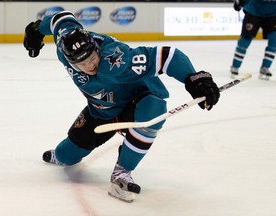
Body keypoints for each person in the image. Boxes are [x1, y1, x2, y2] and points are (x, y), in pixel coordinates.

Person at [23, 11, 220, 203]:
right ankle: (62, 154)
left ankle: (122, 171)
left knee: (153, 109)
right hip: (101, 110)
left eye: (92, 57)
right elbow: (60, 18)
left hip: (137, 100)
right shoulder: (64, 44)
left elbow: (168, 56)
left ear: (95, 48)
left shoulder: (116, 61)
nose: (91, 65)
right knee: (67, 156)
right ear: (71, 61)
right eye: (83, 64)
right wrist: (35, 30)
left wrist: (193, 79)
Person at [230, 0, 276, 80]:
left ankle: (265, 67)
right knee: (245, 40)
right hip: (253, 11)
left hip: (273, 13)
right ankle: (235, 66)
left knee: (274, 41)